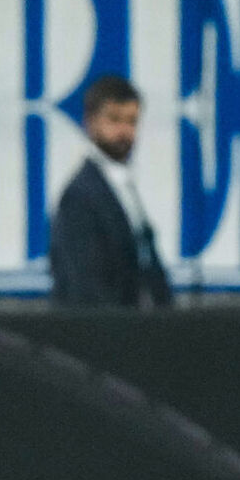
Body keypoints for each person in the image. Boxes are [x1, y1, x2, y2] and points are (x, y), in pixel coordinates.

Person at [50, 75, 173, 308]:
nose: (124, 131)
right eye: (114, 120)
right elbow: (85, 284)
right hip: (104, 326)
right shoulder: (80, 196)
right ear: (91, 122)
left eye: (131, 121)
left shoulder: (123, 186)